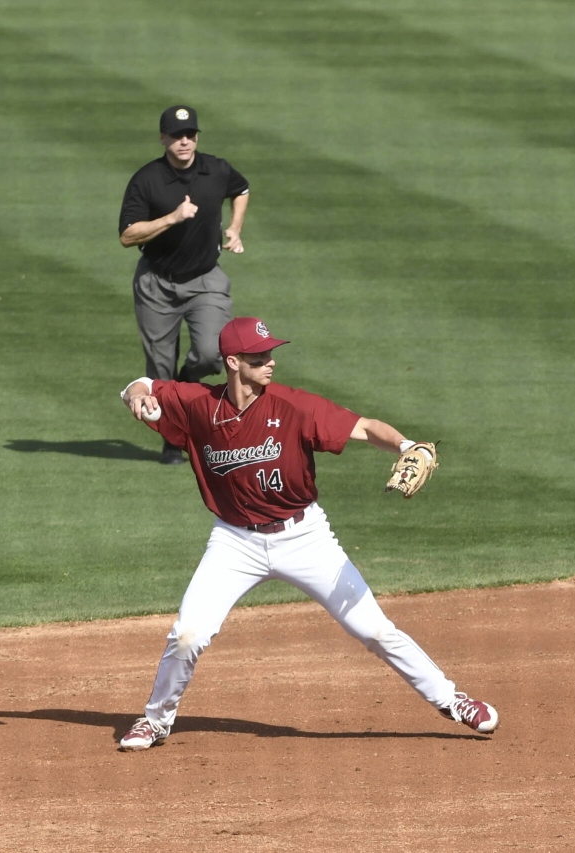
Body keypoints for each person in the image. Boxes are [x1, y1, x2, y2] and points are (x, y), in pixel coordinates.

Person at [115, 316, 499, 751]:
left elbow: (364, 426)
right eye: (259, 356)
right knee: (187, 635)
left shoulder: (293, 406)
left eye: (271, 353)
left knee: (375, 630)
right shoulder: (199, 404)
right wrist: (138, 396)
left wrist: (406, 445)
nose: (271, 361)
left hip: (304, 537)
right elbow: (138, 385)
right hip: (234, 542)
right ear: (233, 362)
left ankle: (452, 700)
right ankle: (156, 721)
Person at [118, 105, 250, 465]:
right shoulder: (147, 179)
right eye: (177, 135)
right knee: (159, 370)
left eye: (190, 134)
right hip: (156, 284)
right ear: (163, 138)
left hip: (205, 279)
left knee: (212, 354)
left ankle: (187, 379)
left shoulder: (216, 169)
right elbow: (127, 236)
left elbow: (241, 189)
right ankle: (172, 441)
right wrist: (172, 218)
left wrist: (235, 228)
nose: (185, 141)